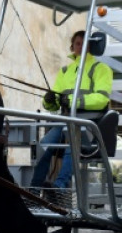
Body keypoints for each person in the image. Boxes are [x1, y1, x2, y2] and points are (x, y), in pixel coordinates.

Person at [31, 30, 113, 189]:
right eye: (78, 43)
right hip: (67, 121)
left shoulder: (101, 69)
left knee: (72, 146)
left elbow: (102, 99)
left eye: (85, 44)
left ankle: (59, 187)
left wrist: (71, 100)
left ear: (91, 47)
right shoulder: (65, 71)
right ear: (72, 47)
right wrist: (49, 101)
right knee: (44, 145)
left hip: (90, 123)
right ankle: (34, 188)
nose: (81, 47)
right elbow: (55, 101)